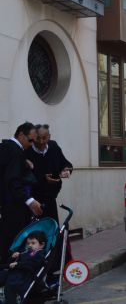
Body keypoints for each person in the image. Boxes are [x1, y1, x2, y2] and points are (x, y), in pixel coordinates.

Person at [0, 123, 40, 263]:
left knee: (7, 239)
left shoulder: (7, 148)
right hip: (14, 206)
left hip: (8, 204)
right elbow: (12, 179)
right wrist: (28, 200)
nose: (32, 144)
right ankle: (11, 274)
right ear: (21, 135)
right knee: (14, 240)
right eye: (30, 140)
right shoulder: (14, 151)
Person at [24, 125, 73, 224]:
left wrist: (66, 170)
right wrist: (43, 179)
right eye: (38, 138)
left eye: (44, 138)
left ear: (49, 137)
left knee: (52, 231)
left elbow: (65, 163)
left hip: (51, 198)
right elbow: (24, 177)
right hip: (34, 200)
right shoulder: (27, 150)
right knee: (35, 233)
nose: (41, 142)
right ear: (33, 137)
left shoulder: (53, 146)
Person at [0, 230, 47, 304]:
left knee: (10, 287)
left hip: (24, 276)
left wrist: (18, 264)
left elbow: (32, 264)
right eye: (28, 243)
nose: (30, 245)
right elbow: (10, 263)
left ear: (42, 245)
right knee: (2, 274)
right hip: (14, 272)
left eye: (33, 243)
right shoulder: (26, 252)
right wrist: (13, 257)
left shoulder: (39, 255)